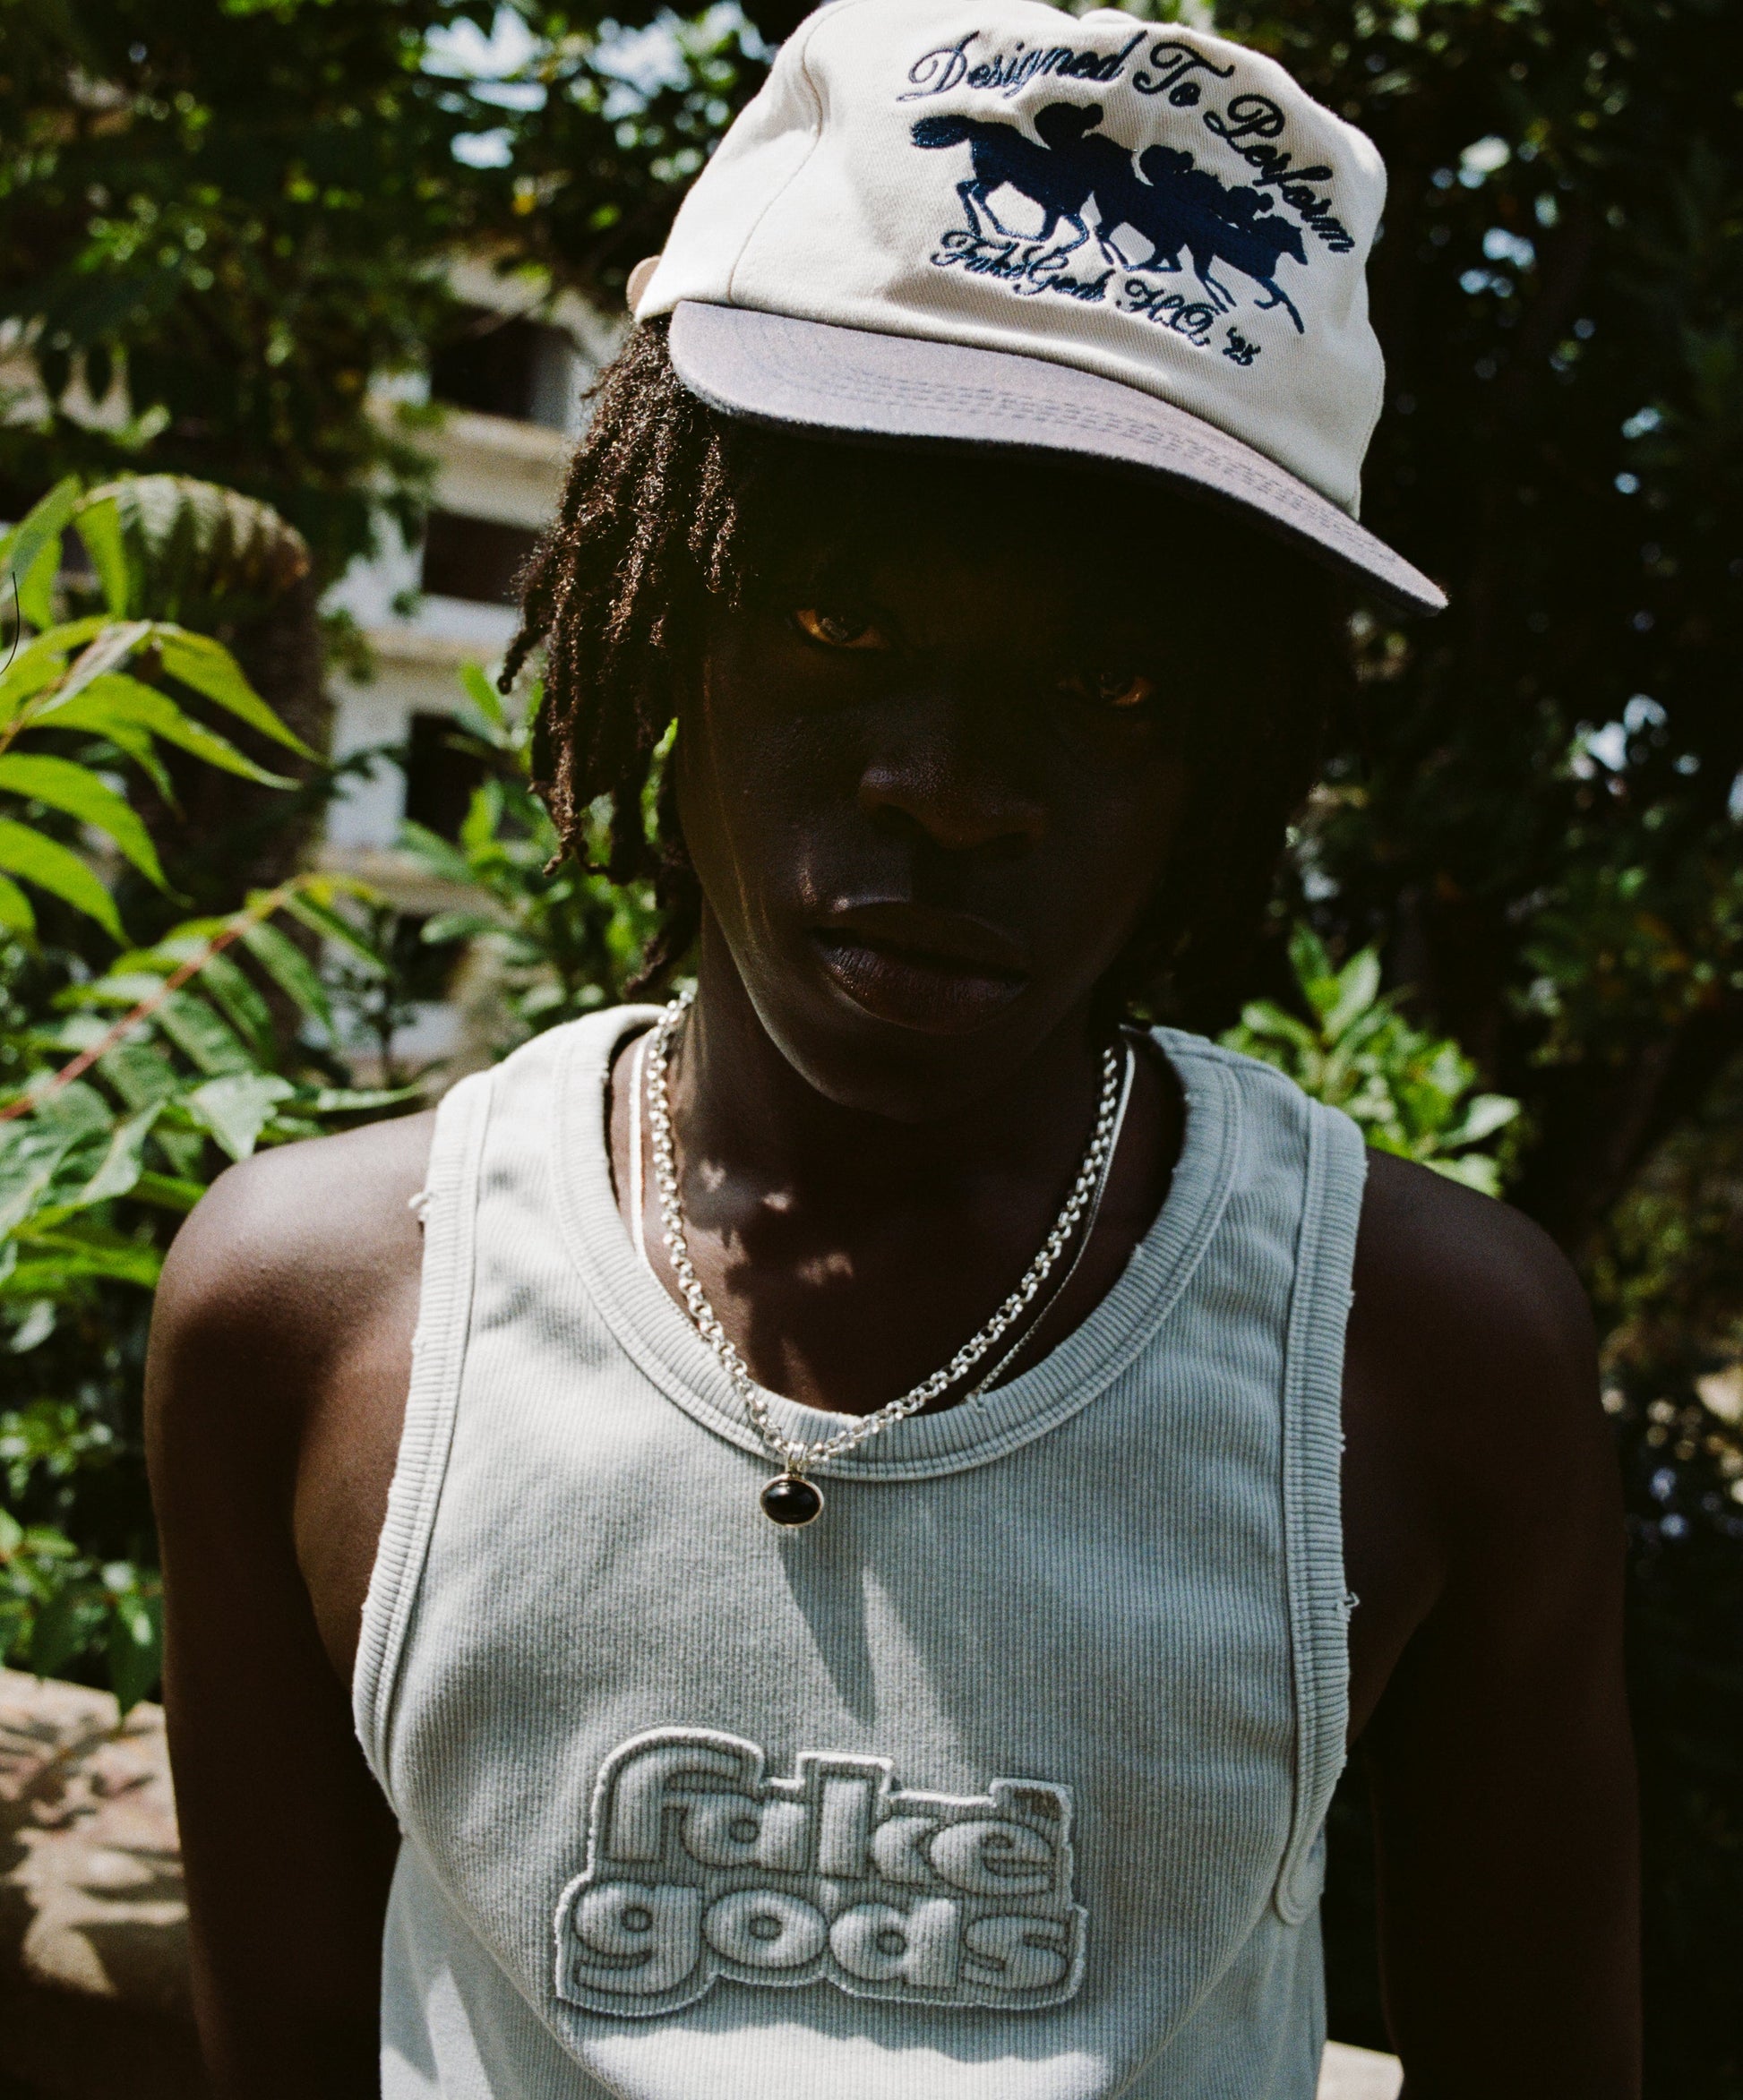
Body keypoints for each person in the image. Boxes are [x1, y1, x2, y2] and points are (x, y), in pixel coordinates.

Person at [145, 3, 1640, 2096]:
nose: (948, 786)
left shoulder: (1414, 1350)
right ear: (662, 612)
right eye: (841, 622)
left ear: (1231, 752)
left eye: (1113, 685)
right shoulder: (317, 1313)